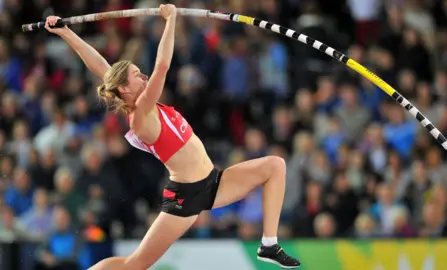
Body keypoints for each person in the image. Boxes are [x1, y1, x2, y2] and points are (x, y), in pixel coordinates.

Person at [44, 4, 300, 270]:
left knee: (275, 166)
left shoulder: (148, 105)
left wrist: (66, 33)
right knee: (135, 265)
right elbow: (163, 65)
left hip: (214, 182)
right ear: (123, 89)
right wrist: (171, 20)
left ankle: (269, 243)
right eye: (136, 75)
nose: (143, 76)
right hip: (185, 197)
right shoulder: (141, 114)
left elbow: (100, 65)